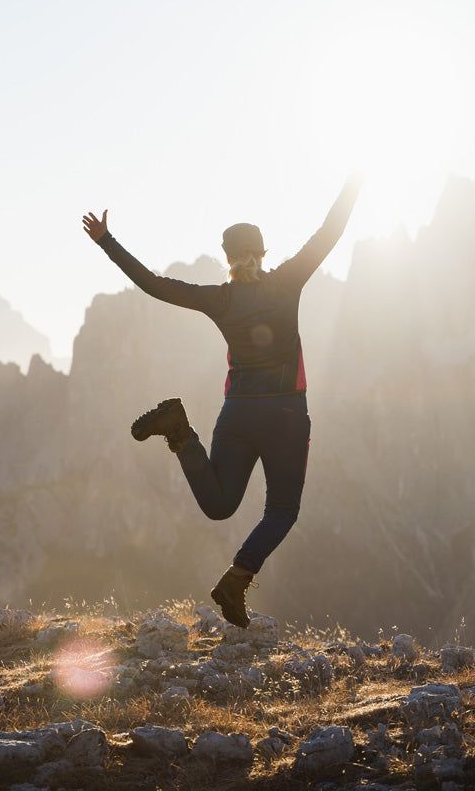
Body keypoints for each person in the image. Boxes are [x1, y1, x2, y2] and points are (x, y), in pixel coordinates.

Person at [82, 175, 362, 627]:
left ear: (227, 259)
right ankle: (237, 578)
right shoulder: (288, 281)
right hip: (287, 414)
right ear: (264, 254)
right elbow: (330, 232)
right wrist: (355, 182)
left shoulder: (220, 298)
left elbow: (155, 285)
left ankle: (179, 431)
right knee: (283, 511)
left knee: (219, 505)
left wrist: (107, 241)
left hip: (238, 413)